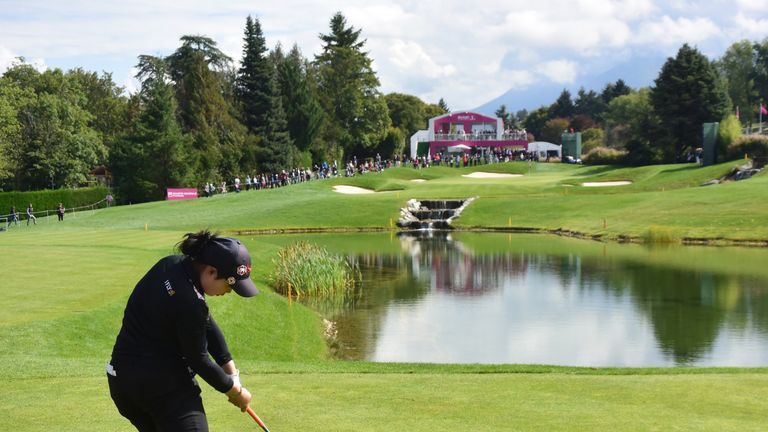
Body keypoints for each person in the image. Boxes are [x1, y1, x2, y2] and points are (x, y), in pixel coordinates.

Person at [107, 230, 258, 431]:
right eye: (229, 285)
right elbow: (199, 360)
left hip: (123, 384)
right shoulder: (191, 303)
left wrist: (231, 373)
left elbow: (206, 323)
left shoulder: (170, 265)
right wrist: (235, 392)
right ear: (211, 272)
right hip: (163, 390)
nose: (229, 292)